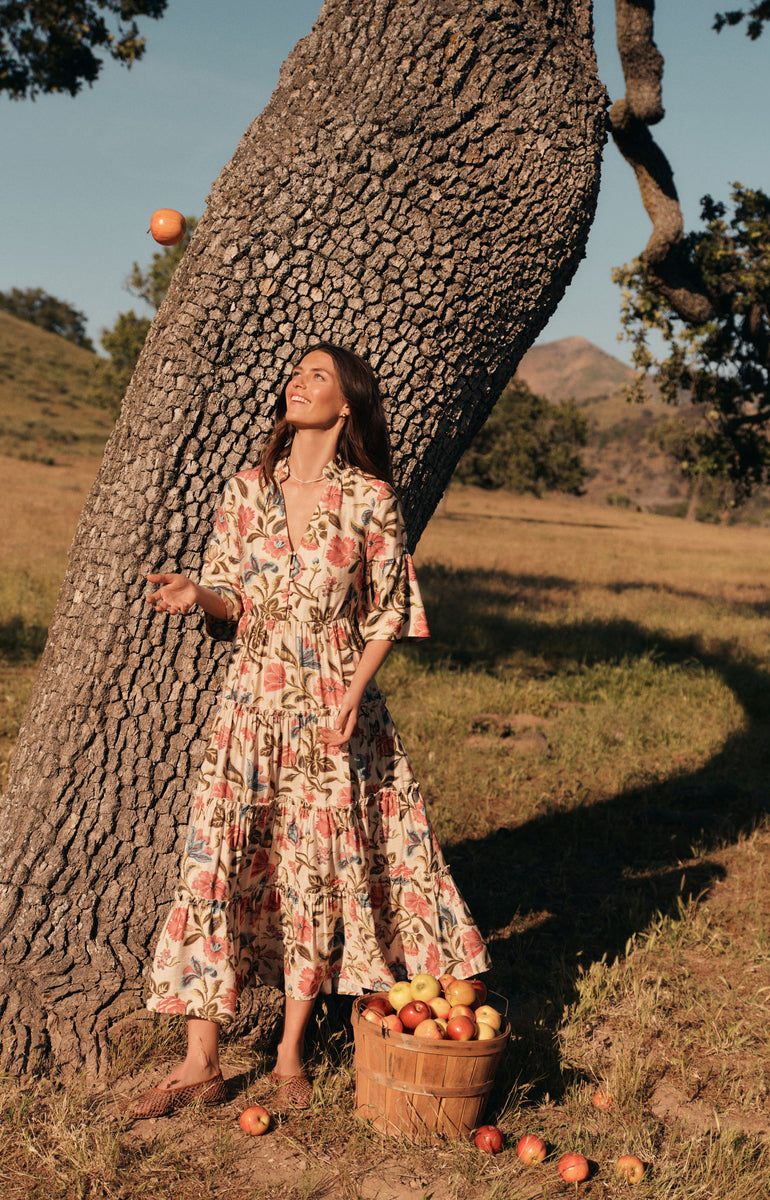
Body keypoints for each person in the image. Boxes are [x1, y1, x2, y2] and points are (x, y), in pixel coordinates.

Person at [130, 342, 490, 1119]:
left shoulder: (370, 499)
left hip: (331, 708)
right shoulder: (246, 490)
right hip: (250, 701)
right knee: (215, 862)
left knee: (311, 871)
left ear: (348, 402)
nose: (299, 381)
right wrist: (200, 593)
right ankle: (200, 1059)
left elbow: (389, 611)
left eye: (318, 375)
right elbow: (230, 594)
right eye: (295, 372)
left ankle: (290, 1052)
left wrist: (355, 696)